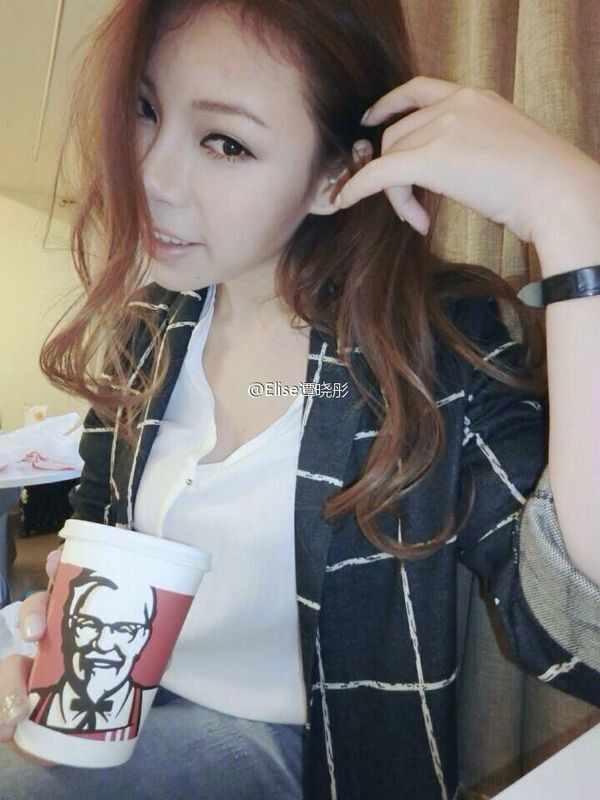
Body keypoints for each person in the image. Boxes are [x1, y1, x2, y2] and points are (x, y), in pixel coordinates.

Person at [1, 1, 599, 798]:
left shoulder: (430, 348)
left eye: (226, 142)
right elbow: (97, 535)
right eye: (145, 109)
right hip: (133, 720)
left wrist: (574, 214)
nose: (150, 176)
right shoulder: (152, 326)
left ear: (334, 178)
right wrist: (46, 636)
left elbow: (581, 626)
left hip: (317, 758)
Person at [28, 569, 156, 737]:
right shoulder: (31, 702)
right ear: (68, 628)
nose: (103, 644)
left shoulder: (146, 709)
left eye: (124, 629)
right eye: (88, 624)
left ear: (143, 638)